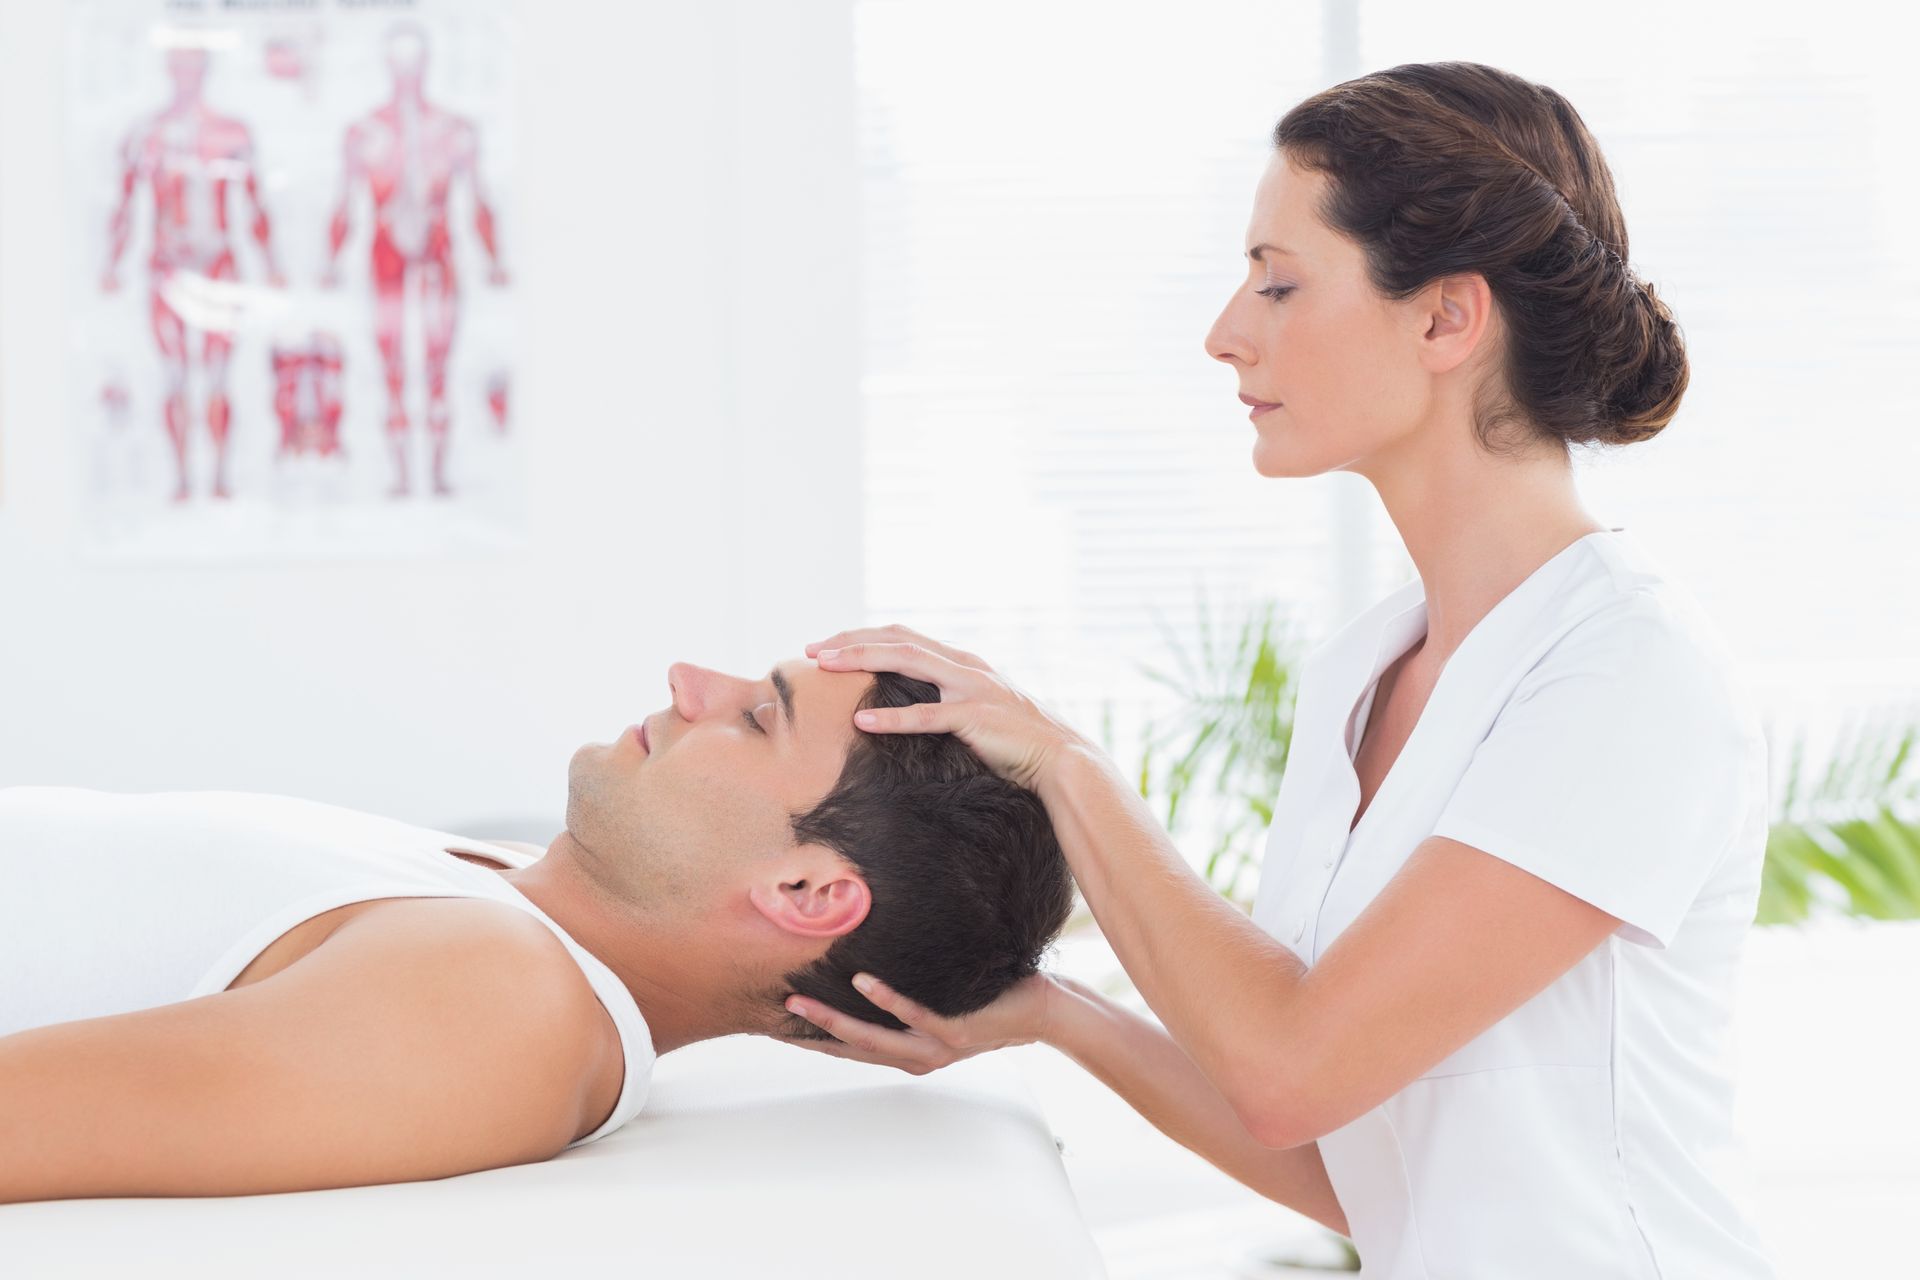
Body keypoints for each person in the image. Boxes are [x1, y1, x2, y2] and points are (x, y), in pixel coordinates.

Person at [783, 62, 1779, 1279]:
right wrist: (1052, 1012)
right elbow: (1345, 1151)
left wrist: (1063, 760)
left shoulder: (1630, 677)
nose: (1226, 331)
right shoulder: (1365, 671)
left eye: (1281, 282)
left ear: (1444, 319)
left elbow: (1293, 1066)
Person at [0, 657, 1075, 1204]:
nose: (692, 680)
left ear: (805, 891)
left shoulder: (503, 1005)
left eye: (757, 714)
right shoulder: (518, 892)